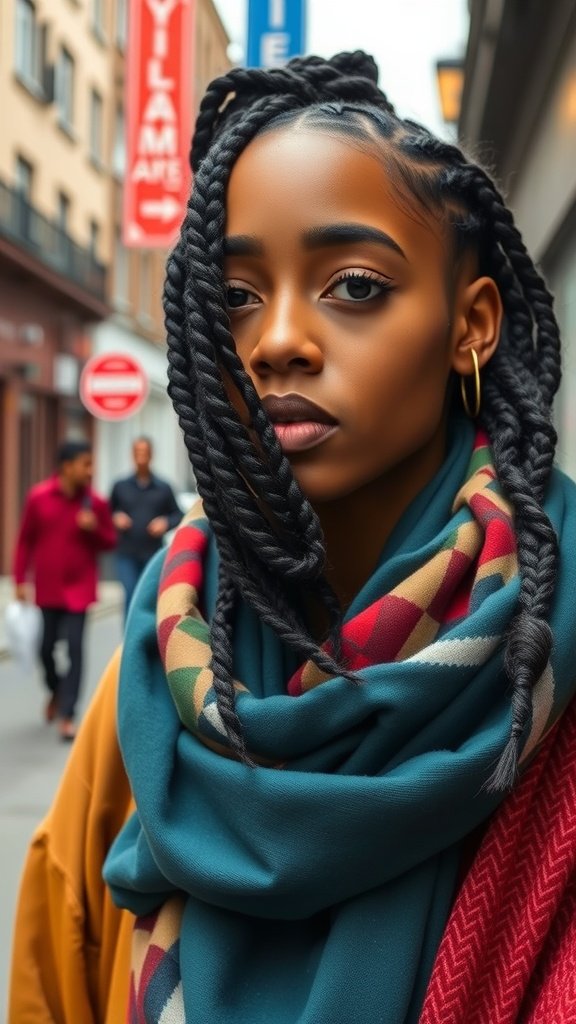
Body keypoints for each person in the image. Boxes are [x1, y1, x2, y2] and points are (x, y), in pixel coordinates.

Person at [9, 53, 576, 1023]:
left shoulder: (548, 661)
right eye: (232, 297)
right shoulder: (160, 676)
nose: (274, 340)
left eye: (353, 285)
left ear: (471, 325)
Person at [12, 439, 116, 741]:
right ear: (66, 467)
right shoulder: (39, 497)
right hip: (48, 588)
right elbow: (24, 541)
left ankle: (68, 713)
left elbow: (109, 542)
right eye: (85, 464)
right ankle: (57, 691)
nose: (90, 471)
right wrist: (20, 580)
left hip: (80, 589)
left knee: (74, 649)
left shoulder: (95, 503)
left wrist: (93, 528)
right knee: (45, 649)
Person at [109, 436, 182, 617]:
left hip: (153, 554)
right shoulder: (120, 486)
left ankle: (149, 638)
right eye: (137, 452)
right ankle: (129, 640)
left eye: (144, 452)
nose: (141, 456)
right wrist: (115, 517)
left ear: (151, 455)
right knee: (131, 594)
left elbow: (178, 514)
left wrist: (165, 522)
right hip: (127, 553)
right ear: (132, 455)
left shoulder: (163, 487)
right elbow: (107, 512)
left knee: (150, 597)